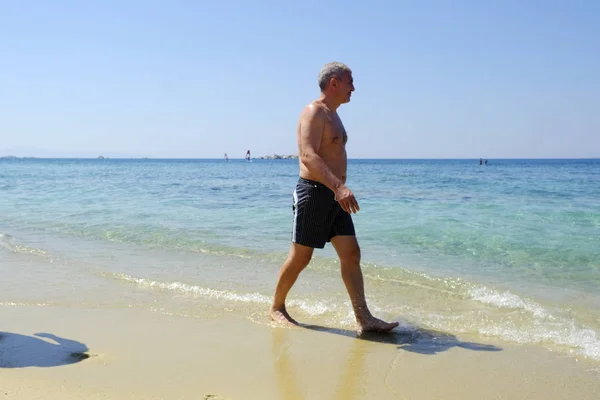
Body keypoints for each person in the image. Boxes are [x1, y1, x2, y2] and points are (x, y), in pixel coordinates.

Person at [269, 62, 399, 334]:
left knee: (351, 254)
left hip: (334, 194)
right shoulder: (314, 112)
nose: (354, 87)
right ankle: (277, 307)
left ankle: (364, 318)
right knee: (301, 257)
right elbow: (308, 155)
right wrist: (338, 187)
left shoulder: (334, 116)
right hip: (315, 193)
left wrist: (338, 190)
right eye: (350, 81)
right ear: (334, 83)